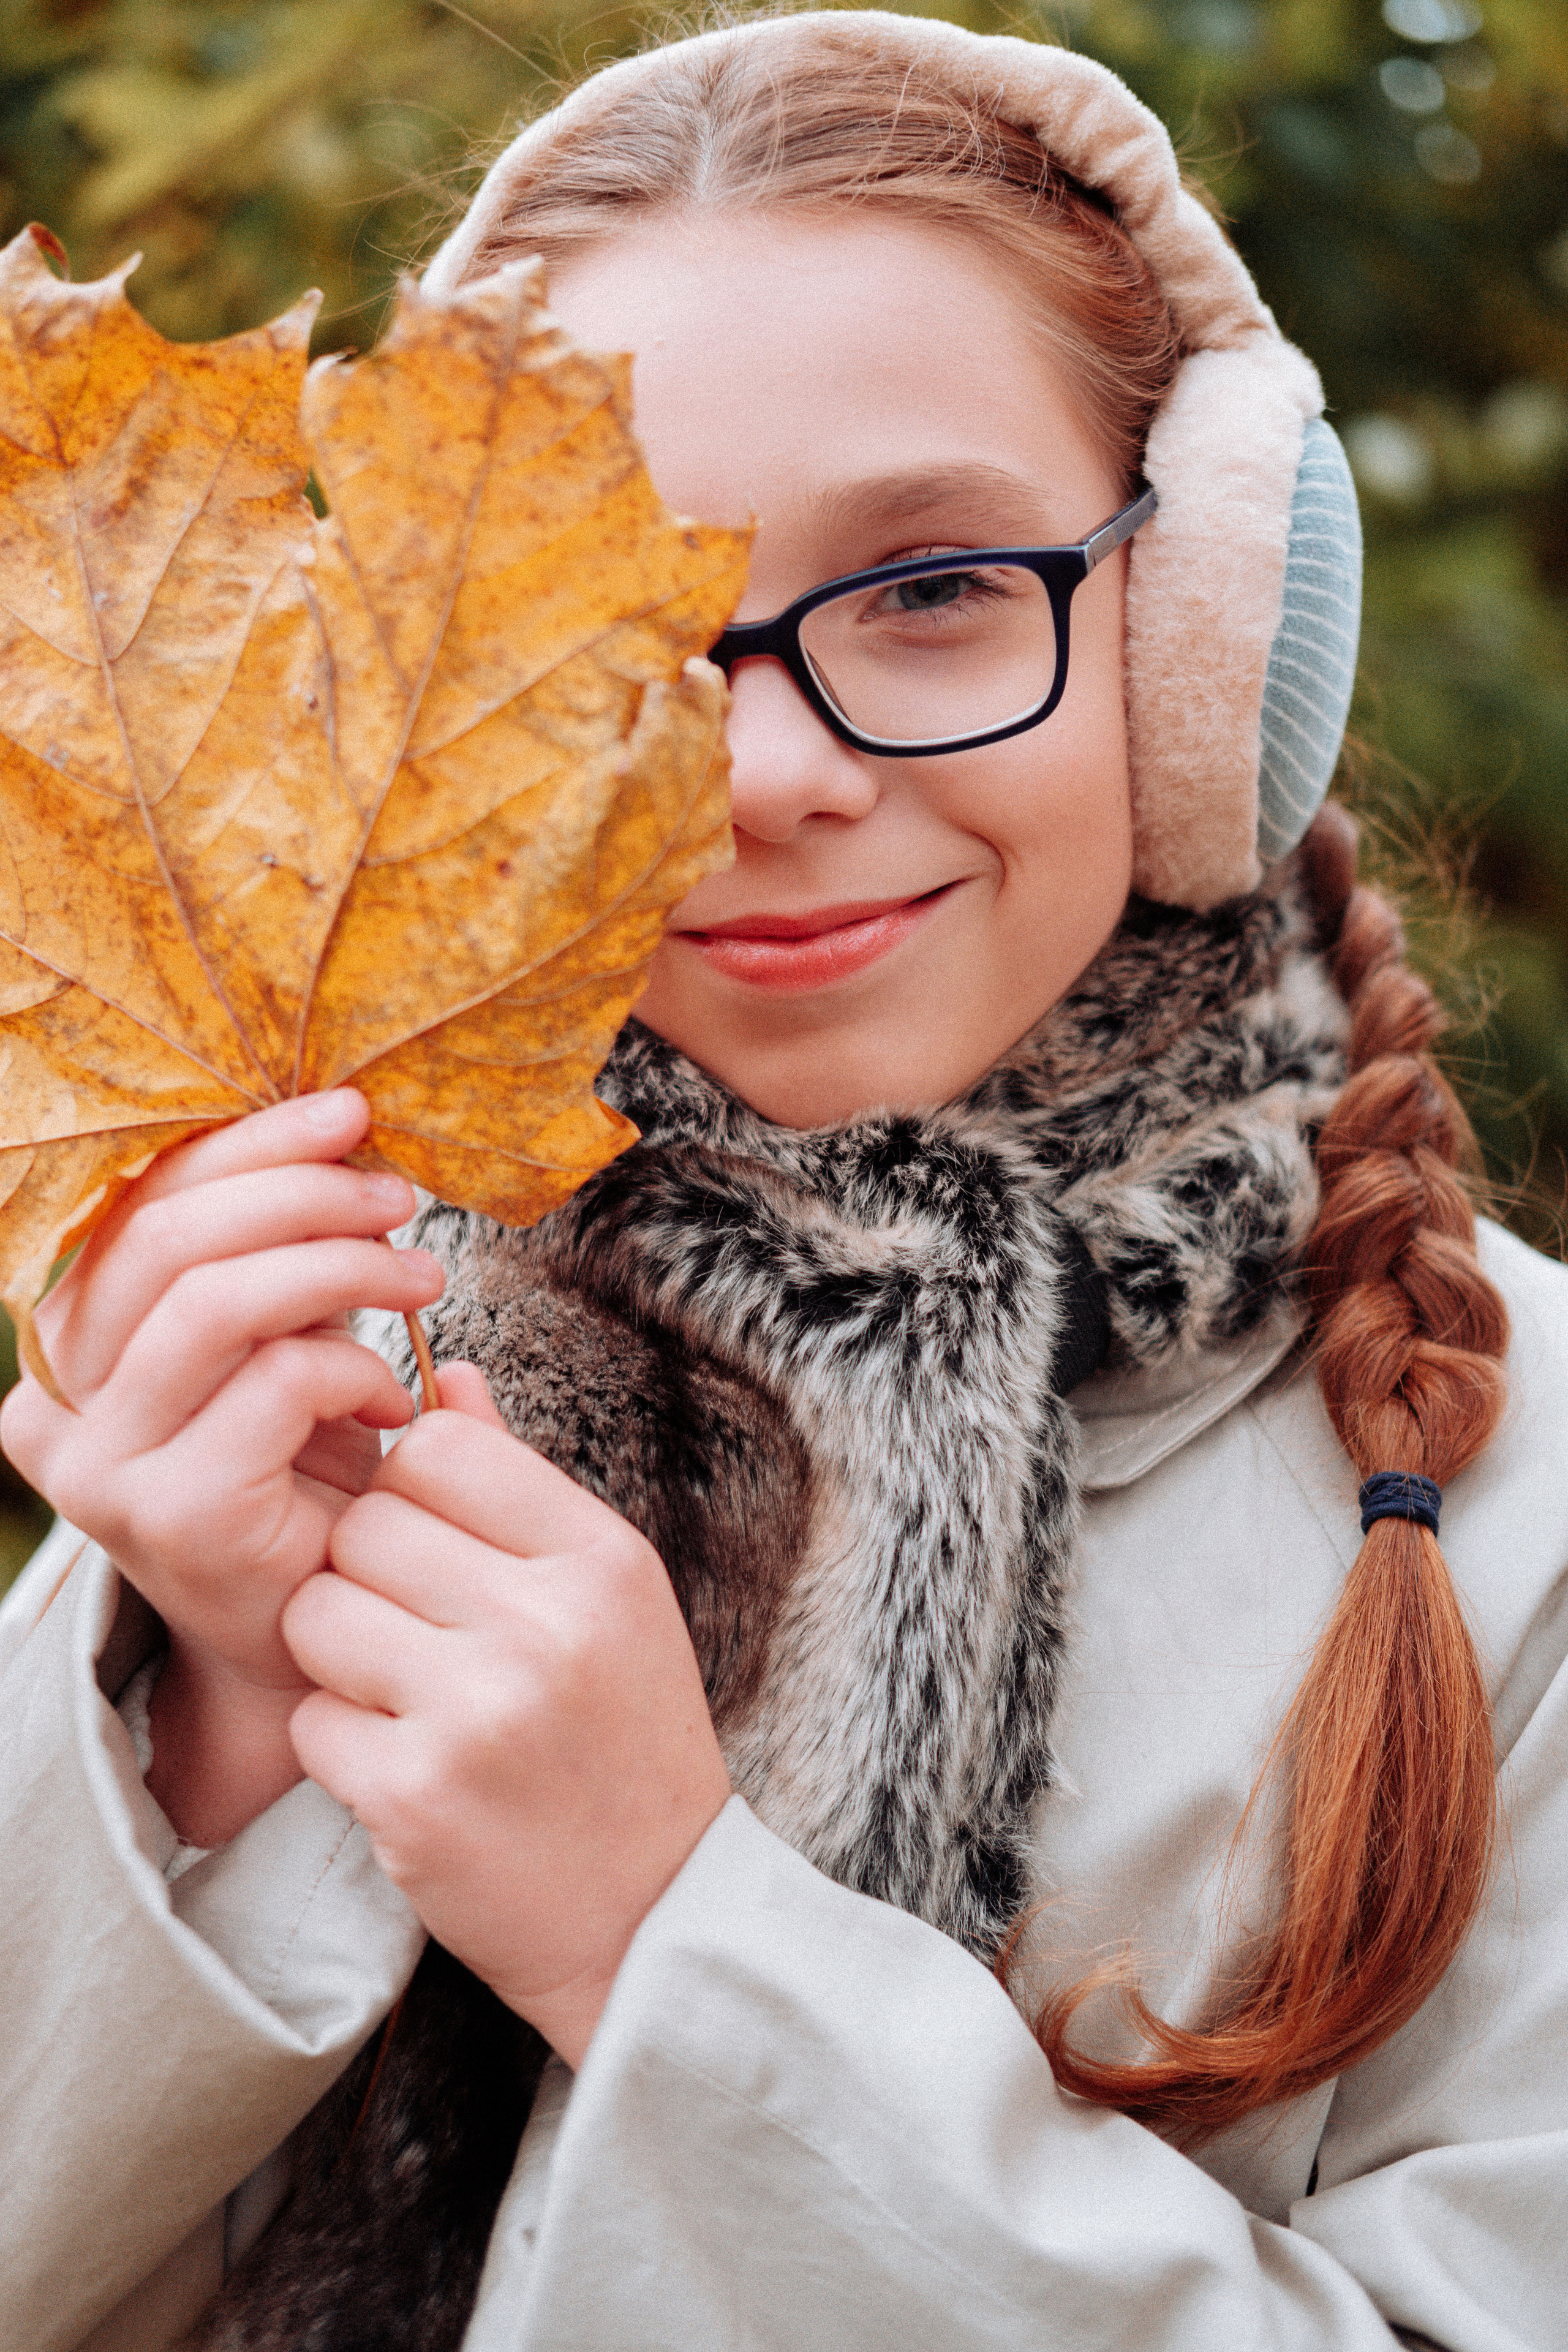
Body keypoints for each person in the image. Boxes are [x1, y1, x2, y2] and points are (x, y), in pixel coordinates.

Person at [1, 12, 1564, 2350]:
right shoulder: (329, 1364)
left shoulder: (1522, 1496)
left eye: (932, 584)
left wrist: (669, 1941)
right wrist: (198, 1727)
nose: (766, 767)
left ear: (1208, 621)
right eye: (613, 628)